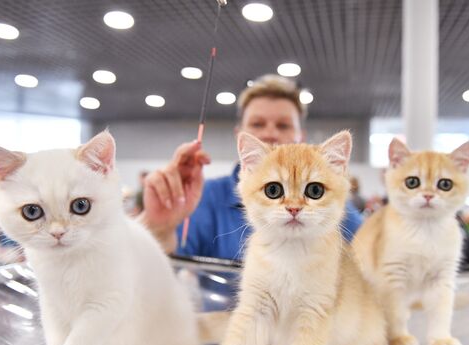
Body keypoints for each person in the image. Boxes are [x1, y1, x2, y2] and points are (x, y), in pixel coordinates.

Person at [140, 74, 363, 260]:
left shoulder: (331, 203)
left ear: (300, 136)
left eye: (283, 125)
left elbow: (371, 251)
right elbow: (166, 264)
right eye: (257, 124)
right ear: (240, 135)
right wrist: (158, 226)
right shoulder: (208, 196)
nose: (270, 133)